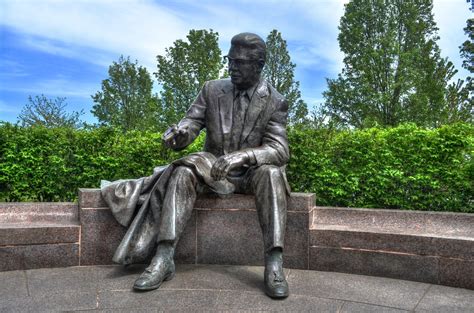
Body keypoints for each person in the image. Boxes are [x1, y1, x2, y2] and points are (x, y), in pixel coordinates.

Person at [105, 32, 290, 299]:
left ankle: (274, 262)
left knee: (272, 174)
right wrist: (180, 134)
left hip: (252, 172)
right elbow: (190, 123)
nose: (232, 67)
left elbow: (279, 149)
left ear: (259, 65)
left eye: (239, 62)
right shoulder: (212, 90)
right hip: (212, 168)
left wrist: (243, 156)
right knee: (182, 170)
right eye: (230, 60)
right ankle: (164, 256)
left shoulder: (275, 100)